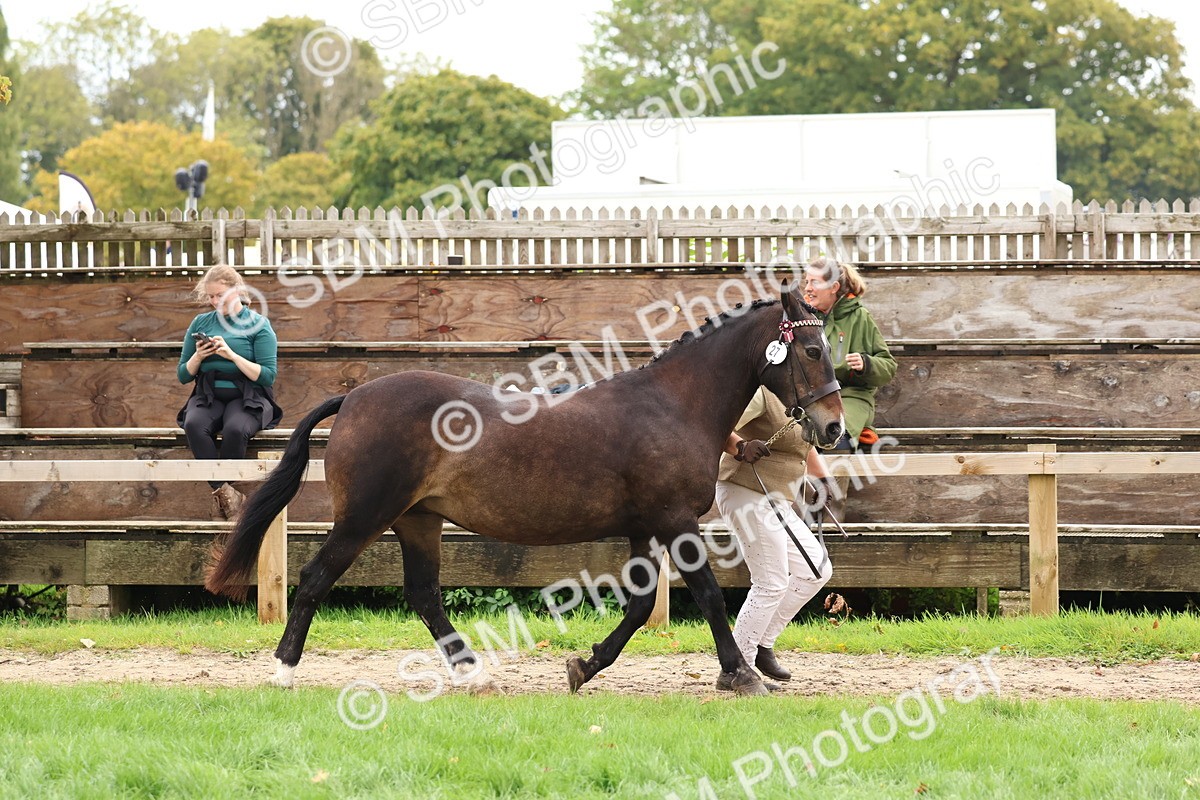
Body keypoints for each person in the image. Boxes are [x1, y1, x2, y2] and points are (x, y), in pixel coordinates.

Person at [714, 386, 836, 691]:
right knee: (771, 582)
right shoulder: (762, 394)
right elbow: (717, 423)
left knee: (816, 570)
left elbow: (806, 447)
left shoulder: (802, 397)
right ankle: (737, 668)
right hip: (746, 490)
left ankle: (761, 645)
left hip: (776, 497)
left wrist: (821, 481)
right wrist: (739, 447)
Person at [177, 265, 281, 519]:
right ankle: (227, 495)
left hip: (248, 396)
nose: (214, 301)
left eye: (219, 295)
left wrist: (232, 355)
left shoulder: (258, 324)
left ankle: (222, 497)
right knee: (193, 424)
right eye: (211, 296)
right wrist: (198, 357)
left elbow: (268, 375)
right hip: (208, 394)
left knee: (235, 429)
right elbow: (183, 375)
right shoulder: (200, 322)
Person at [802, 257, 897, 518]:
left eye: (814, 282)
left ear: (833, 287)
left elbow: (888, 366)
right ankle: (800, 519)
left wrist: (866, 364)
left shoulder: (860, 317)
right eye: (806, 281)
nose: (807, 288)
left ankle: (831, 516)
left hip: (851, 395)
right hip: (811, 397)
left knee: (836, 436)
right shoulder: (802, 317)